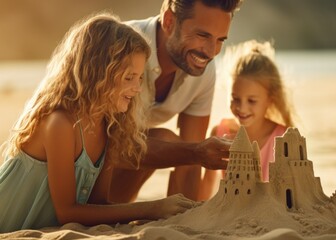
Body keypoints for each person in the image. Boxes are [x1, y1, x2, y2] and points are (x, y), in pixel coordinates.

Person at [0, 13, 198, 233]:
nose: (137, 88)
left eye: (140, 78)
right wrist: (152, 208)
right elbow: (68, 212)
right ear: (98, 73)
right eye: (128, 77)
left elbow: (99, 205)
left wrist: (149, 219)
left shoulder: (109, 127)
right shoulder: (60, 124)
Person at [109, 0, 243, 202]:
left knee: (180, 147)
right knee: (168, 141)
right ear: (170, 21)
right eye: (202, 35)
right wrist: (196, 151)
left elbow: (193, 158)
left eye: (220, 40)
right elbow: (103, 146)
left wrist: (185, 224)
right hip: (67, 168)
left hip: (111, 182)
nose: (210, 51)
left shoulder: (203, 72)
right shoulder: (119, 48)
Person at [199, 40, 295, 199]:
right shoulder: (220, 133)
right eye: (235, 98)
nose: (242, 108)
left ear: (270, 100)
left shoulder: (284, 137)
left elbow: (292, 191)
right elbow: (207, 185)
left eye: (252, 101)